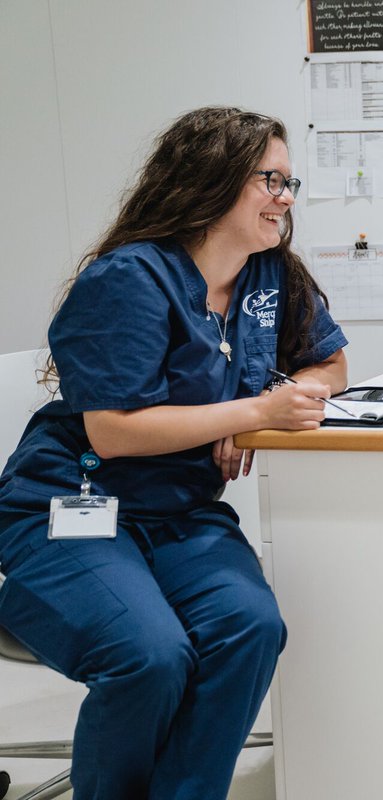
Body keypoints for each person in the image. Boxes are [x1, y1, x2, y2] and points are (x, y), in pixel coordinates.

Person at [0, 107, 349, 800]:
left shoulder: (271, 275)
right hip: (71, 510)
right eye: (270, 179)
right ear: (212, 181)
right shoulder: (128, 278)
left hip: (181, 513)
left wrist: (275, 399)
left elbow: (332, 365)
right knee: (149, 656)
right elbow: (113, 431)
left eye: (290, 181)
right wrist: (253, 411)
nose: (286, 197)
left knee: (251, 629)